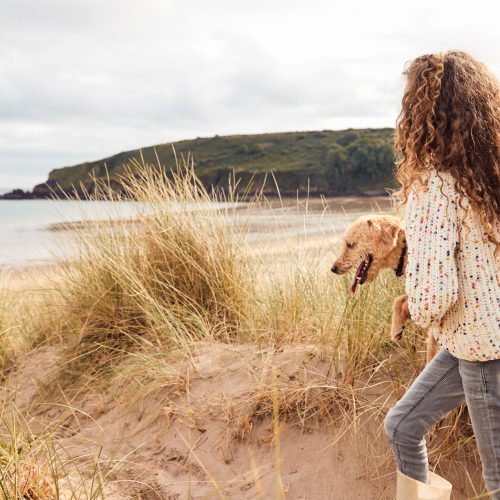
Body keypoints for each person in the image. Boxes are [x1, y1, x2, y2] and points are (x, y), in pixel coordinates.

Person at [384, 51, 500, 499]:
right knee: (403, 425)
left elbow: (433, 296)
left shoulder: (434, 183)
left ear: (421, 110)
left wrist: (415, 302)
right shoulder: (487, 174)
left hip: (483, 350)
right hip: (472, 339)